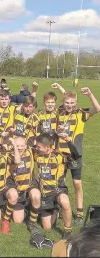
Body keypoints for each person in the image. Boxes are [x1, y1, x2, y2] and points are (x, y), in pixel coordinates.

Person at [56, 88, 100, 225]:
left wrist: (90, 94)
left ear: (76, 102)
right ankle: (58, 208)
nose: (69, 105)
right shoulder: (58, 113)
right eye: (67, 102)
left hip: (75, 154)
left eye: (72, 102)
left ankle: (79, 213)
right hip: (60, 154)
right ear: (63, 102)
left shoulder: (80, 114)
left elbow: (97, 109)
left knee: (77, 183)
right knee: (59, 183)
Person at [34, 133, 81, 239]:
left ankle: (67, 230)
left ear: (47, 147)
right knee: (47, 227)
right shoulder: (36, 154)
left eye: (39, 146)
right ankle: (56, 209)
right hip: (45, 193)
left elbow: (76, 156)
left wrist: (68, 140)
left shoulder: (59, 156)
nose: (37, 148)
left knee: (65, 201)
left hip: (58, 189)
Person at [11, 137, 41, 231]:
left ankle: (32, 222)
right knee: (18, 221)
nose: (20, 148)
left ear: (26, 146)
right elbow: (15, 162)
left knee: (36, 195)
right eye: (17, 145)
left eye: (22, 146)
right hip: (17, 189)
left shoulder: (30, 152)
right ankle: (27, 208)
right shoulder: (9, 155)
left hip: (29, 186)